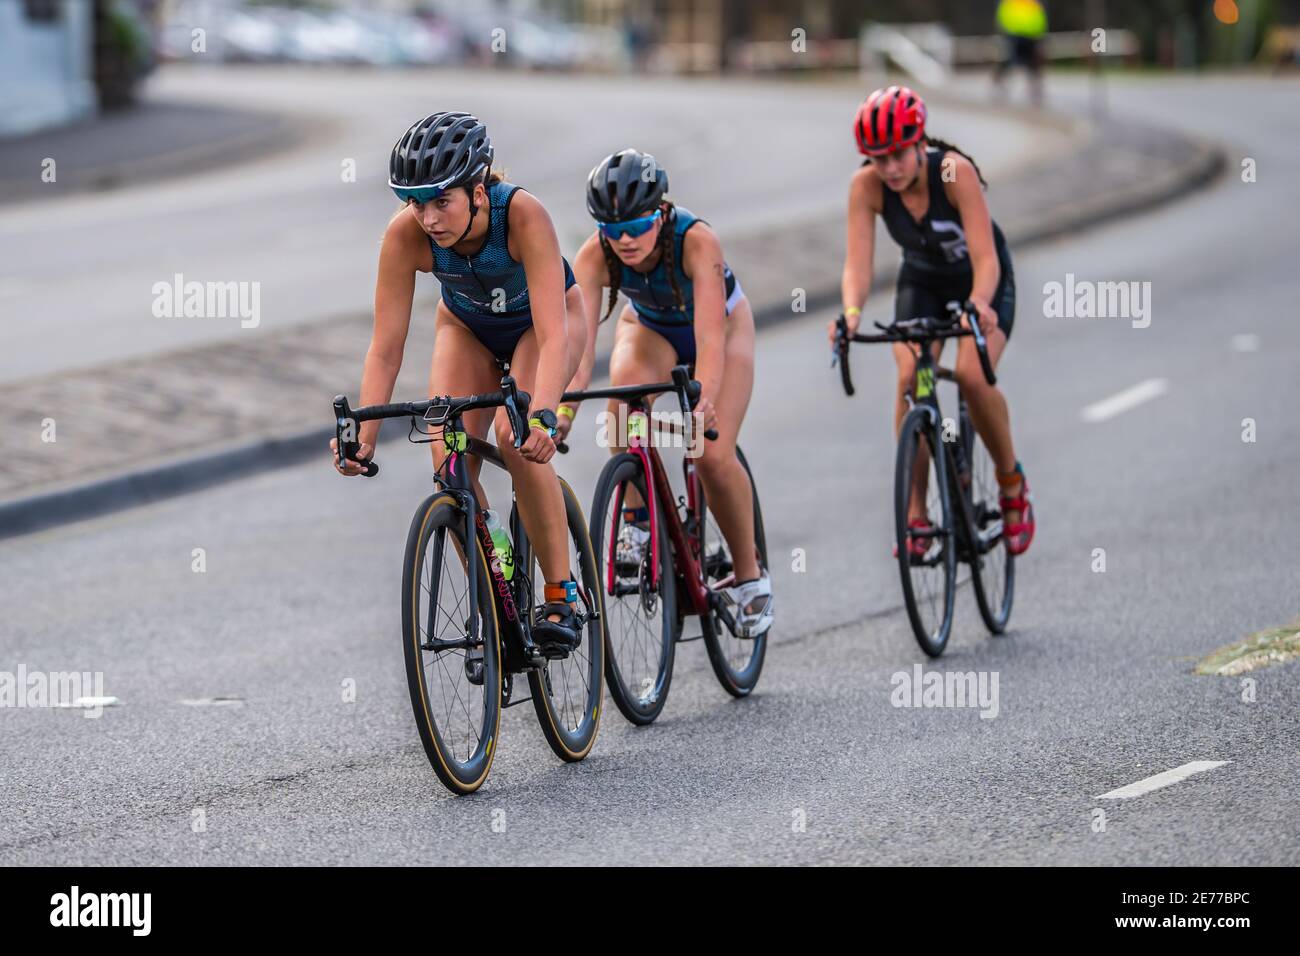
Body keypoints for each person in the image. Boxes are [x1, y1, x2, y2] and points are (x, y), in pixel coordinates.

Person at [332, 110, 588, 651]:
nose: (427, 218)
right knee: (447, 457)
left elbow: (553, 333)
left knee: (514, 441)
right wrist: (365, 438)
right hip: (466, 327)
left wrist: (544, 412)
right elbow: (386, 347)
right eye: (415, 202)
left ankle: (561, 594)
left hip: (541, 327)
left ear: (478, 189)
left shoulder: (521, 215)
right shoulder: (406, 235)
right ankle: (496, 577)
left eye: (440, 201)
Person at [566, 148, 773, 638]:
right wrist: (563, 411)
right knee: (622, 407)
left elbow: (710, 338)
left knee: (711, 452)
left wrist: (706, 399)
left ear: (661, 213)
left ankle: (749, 577)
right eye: (612, 231)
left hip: (720, 330)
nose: (625, 241)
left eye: (635, 227)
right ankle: (637, 517)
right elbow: (579, 351)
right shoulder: (595, 255)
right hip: (652, 329)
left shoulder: (696, 240)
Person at [829, 86, 1035, 556]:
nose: (890, 168)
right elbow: (857, 266)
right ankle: (916, 515)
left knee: (970, 375)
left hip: (981, 283)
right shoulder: (866, 187)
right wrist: (852, 313)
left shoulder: (953, 172)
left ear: (920, 141)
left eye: (898, 155)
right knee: (911, 377)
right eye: (878, 159)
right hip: (922, 283)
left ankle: (1010, 483)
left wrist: (980, 304)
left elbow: (985, 257)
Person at [992, 0, 1047, 107]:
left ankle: (1035, 89)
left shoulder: (1033, 3)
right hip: (1013, 35)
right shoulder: (1010, 3)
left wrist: (1039, 35)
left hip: (1031, 36)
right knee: (1008, 61)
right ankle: (999, 84)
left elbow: (1040, 19)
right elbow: (1002, 17)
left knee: (1033, 64)